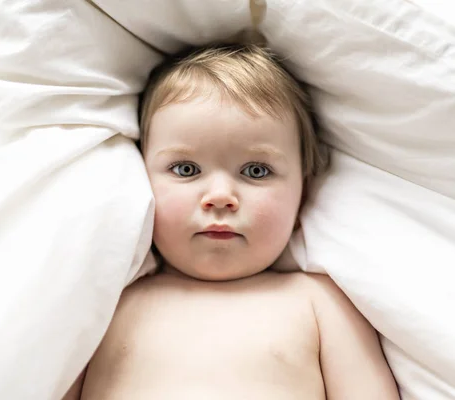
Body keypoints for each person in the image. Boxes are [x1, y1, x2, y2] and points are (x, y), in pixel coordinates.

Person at [64, 44, 400, 400]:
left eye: (256, 171)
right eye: (186, 169)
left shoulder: (319, 303)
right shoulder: (109, 302)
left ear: (305, 186)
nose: (221, 195)